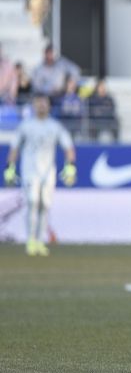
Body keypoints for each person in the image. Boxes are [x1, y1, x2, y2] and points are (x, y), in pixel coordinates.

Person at [4, 95, 76, 256]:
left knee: (45, 205)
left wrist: (71, 166)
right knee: (32, 201)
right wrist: (10, 167)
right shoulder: (25, 126)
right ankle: (30, 240)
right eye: (38, 103)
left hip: (48, 173)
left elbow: (68, 146)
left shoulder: (55, 126)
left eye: (44, 103)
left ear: (49, 106)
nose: (41, 106)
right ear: (34, 105)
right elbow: (14, 148)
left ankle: (40, 241)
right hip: (30, 171)